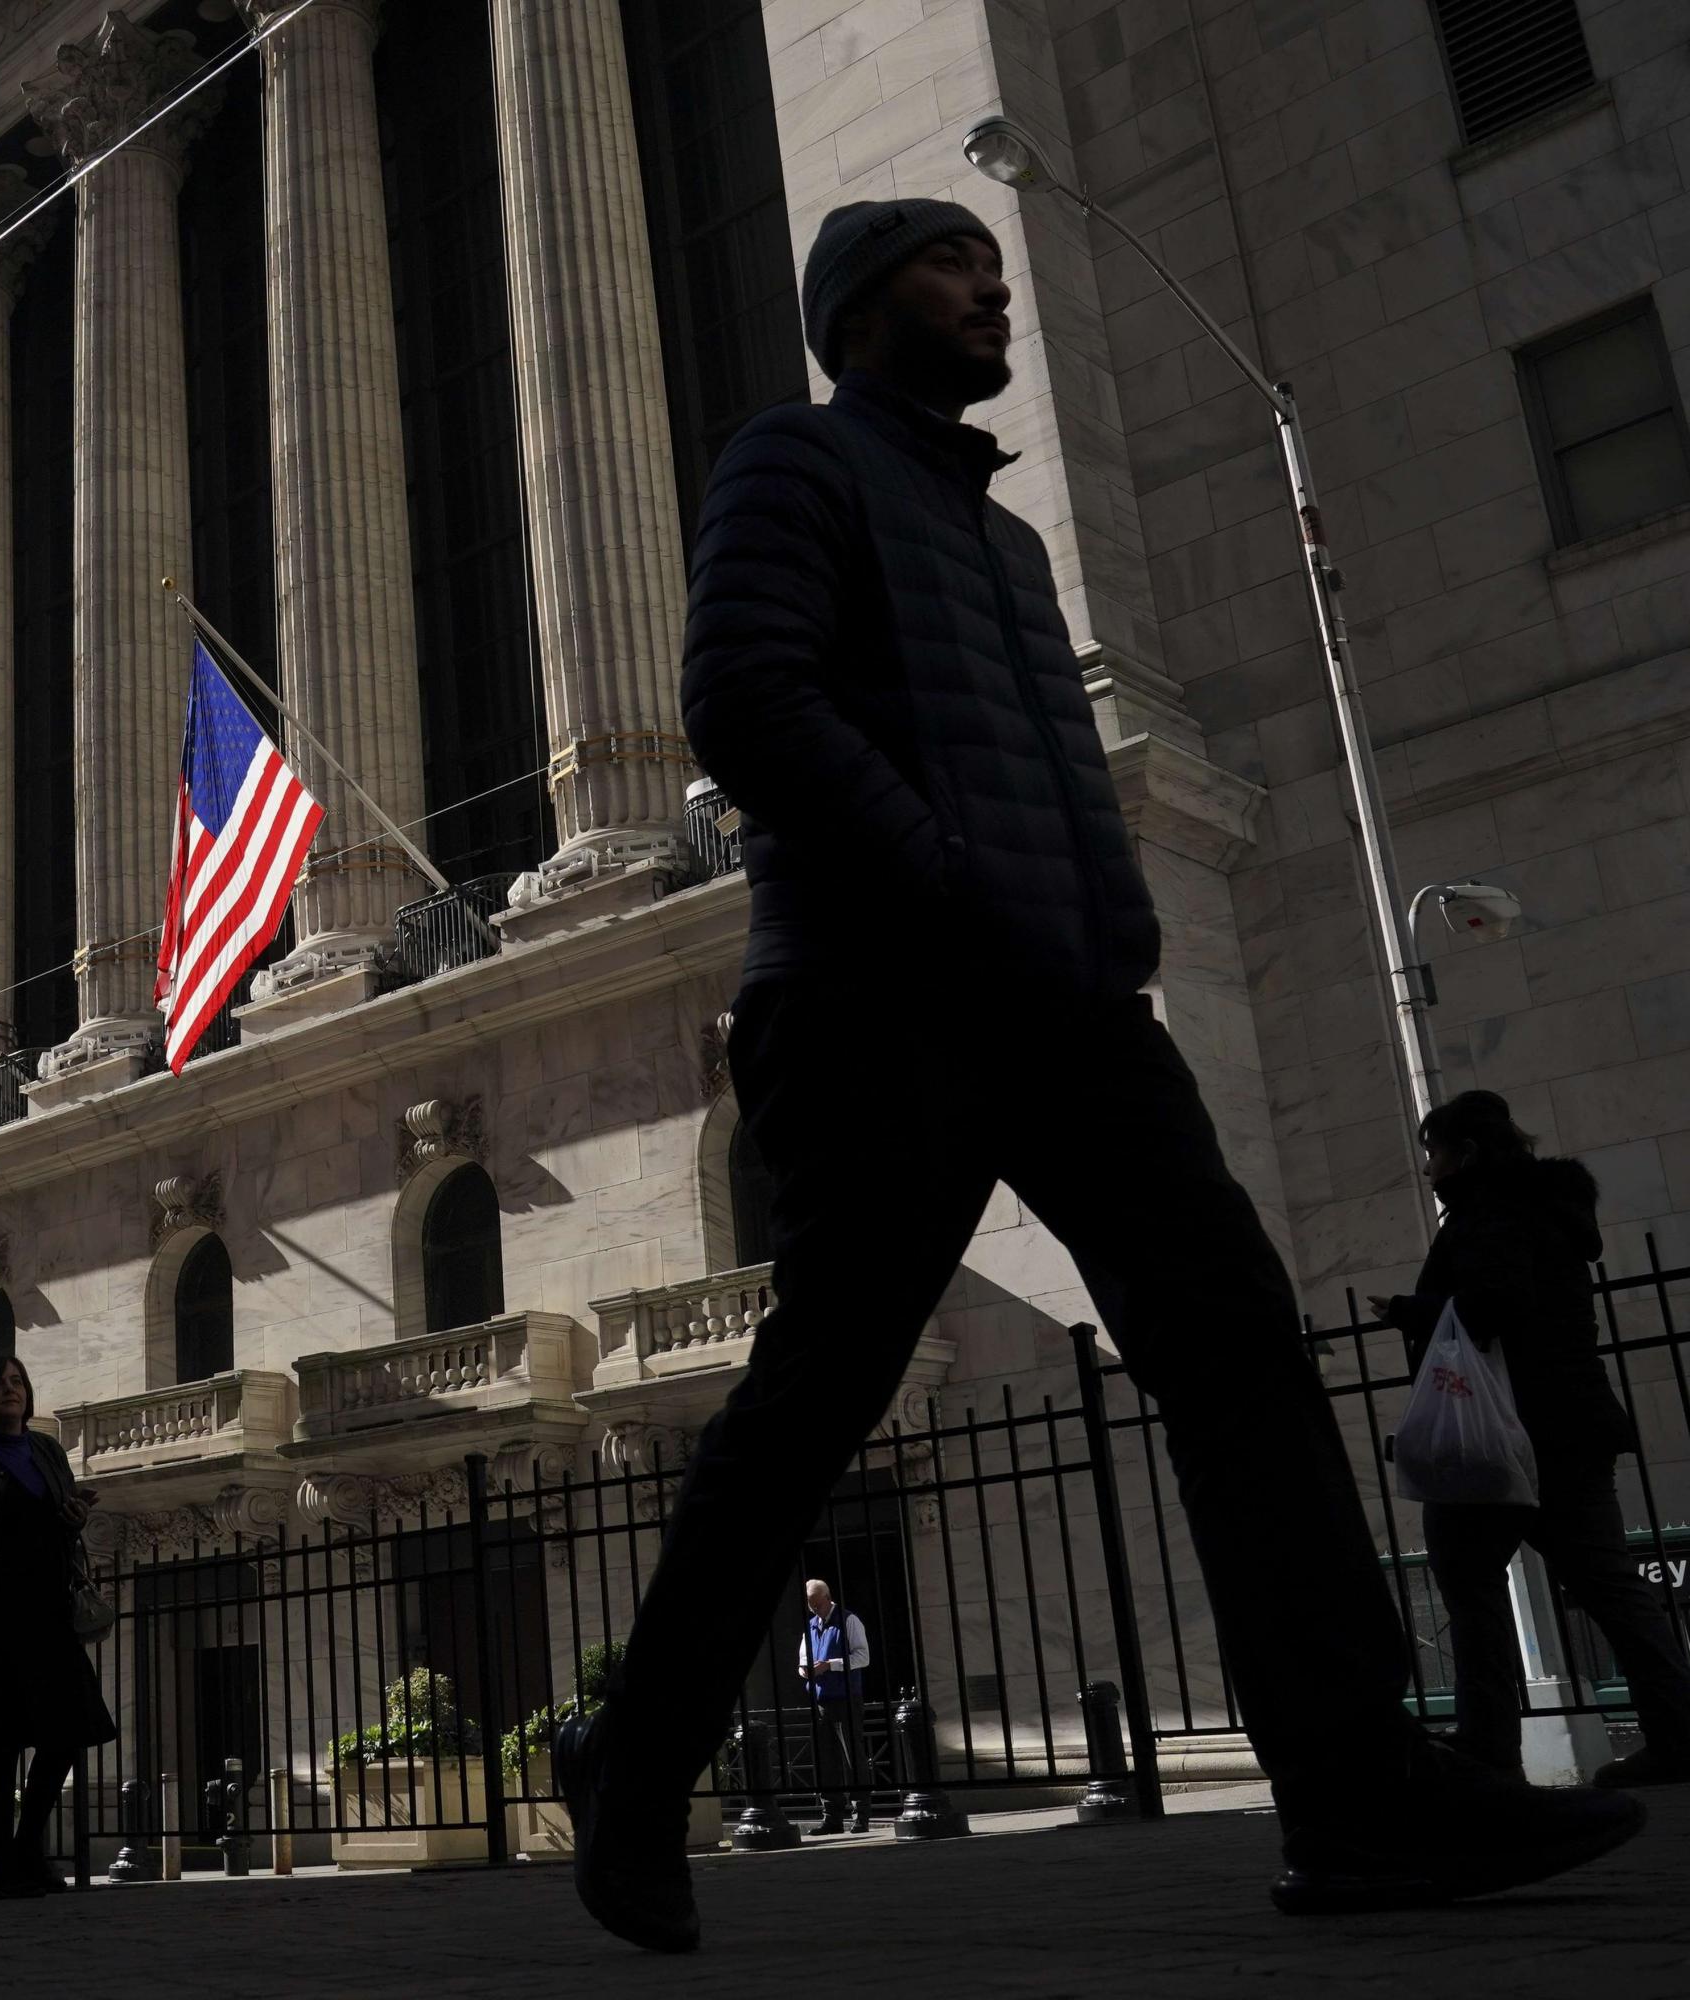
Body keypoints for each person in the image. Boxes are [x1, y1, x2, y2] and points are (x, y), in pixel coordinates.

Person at [553, 197, 1644, 1955]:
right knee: (825, 1392)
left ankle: (1358, 1792)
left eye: (992, 265)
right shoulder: (795, 465)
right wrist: (950, 877)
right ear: (860, 305)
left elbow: (1047, 758)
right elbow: (745, 698)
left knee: (1239, 1352)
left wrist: (1110, 918)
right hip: (875, 993)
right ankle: (643, 1748)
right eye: (951, 265)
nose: (994, 289)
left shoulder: (1009, 547)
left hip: (1069, 1011)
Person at [1371, 1091, 1690, 1786]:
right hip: (1574, 1423)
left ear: (1468, 1152)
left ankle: (1487, 1749)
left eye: (1435, 1151)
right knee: (1610, 1585)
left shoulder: (1489, 1216)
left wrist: (1408, 1310)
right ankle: (1678, 1730)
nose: (1428, 1168)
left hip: (1502, 1435)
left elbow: (1492, 1307)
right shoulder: (1553, 1213)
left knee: (1469, 1580)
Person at [0, 1355, 116, 1901]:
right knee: (3, 1742)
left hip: (50, 1615)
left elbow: (58, 1522)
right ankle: (4, 1864)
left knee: (66, 1734)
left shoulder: (48, 1452)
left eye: (18, 1383)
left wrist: (73, 1517)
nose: (10, 1391)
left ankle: (29, 1847)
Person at [796, 1581, 871, 1834]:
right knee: (826, 1761)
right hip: (820, 1701)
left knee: (852, 1759)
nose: (814, 1608)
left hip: (845, 1699)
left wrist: (830, 1665)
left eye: (817, 1602)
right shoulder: (810, 1626)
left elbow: (863, 1656)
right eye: (810, 1603)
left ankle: (860, 1814)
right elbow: (803, 1659)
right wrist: (805, 1670)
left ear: (828, 1597)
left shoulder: (849, 1621)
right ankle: (832, 1817)